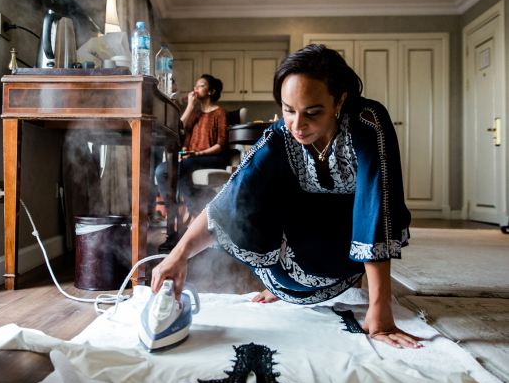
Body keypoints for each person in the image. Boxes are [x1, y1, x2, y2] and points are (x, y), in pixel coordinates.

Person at [151, 45, 422, 349]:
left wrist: (380, 307)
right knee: (248, 188)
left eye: (312, 113)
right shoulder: (281, 134)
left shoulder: (367, 122)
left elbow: (376, 205)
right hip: (287, 264)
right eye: (289, 110)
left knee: (370, 206)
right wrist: (177, 256)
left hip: (341, 246)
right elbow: (231, 197)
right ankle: (280, 286)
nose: (297, 125)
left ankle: (297, 286)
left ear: (340, 100)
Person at [155, 74, 230, 233]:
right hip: (194, 158)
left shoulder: (221, 113)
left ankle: (195, 214)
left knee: (180, 169)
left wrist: (198, 154)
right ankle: (173, 217)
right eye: (195, 86)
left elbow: (221, 145)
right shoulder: (195, 116)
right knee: (161, 170)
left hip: (213, 157)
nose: (196, 88)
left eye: (201, 85)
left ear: (211, 91)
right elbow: (181, 137)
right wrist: (184, 153)